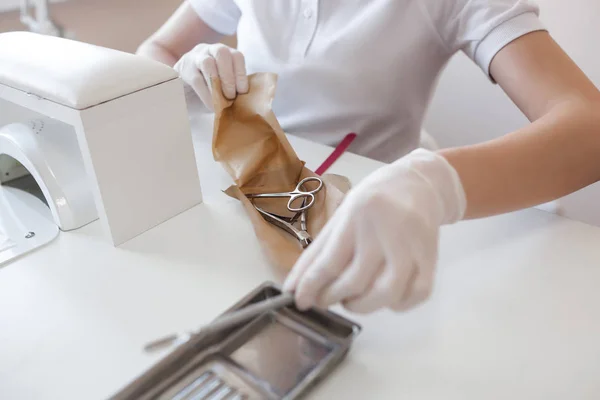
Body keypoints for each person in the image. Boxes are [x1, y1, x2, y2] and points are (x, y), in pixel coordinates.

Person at [137, 1, 600, 314]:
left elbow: (589, 127)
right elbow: (157, 48)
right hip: (238, 201)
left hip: (373, 228)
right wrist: (177, 75)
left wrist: (433, 184)